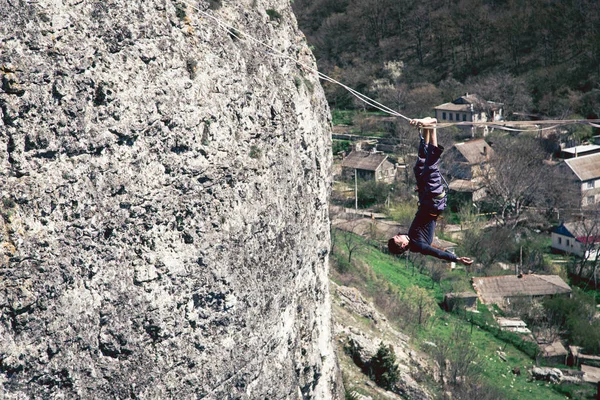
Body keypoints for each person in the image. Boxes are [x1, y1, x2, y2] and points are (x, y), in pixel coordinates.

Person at [388, 117, 473, 266]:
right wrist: (456, 259)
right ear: (402, 245)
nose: (398, 235)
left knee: (419, 168)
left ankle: (425, 129)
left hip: (426, 199)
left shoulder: (412, 238)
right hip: (434, 201)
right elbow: (436, 253)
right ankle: (432, 127)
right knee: (430, 169)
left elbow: (434, 247)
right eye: (397, 238)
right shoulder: (418, 245)